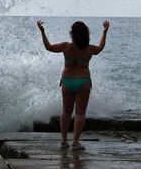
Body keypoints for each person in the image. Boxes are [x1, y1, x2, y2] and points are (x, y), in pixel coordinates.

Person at [37, 19, 110, 150]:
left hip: (67, 81)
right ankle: (75, 143)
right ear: (85, 34)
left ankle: (64, 142)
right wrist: (104, 32)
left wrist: (42, 32)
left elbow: (48, 47)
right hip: (83, 82)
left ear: (72, 34)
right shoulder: (89, 49)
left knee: (66, 112)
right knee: (80, 113)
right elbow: (100, 48)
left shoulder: (66, 46)